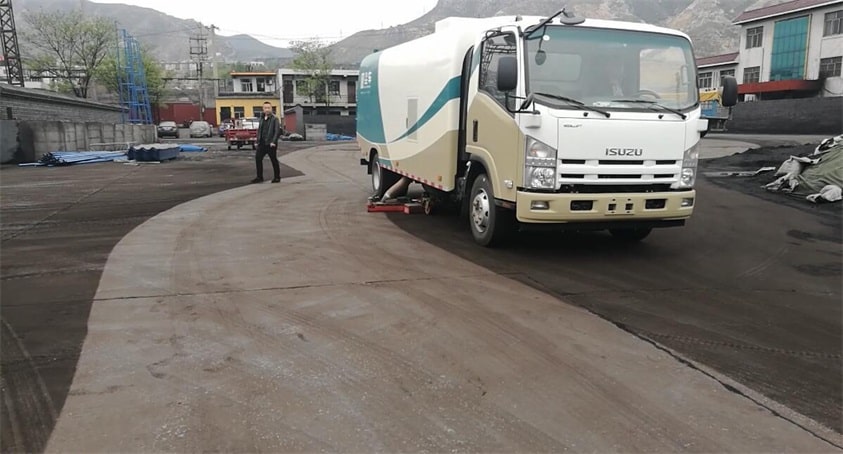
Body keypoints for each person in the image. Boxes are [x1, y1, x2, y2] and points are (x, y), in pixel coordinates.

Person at [252, 102, 282, 184]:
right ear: (263, 109)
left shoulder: (274, 118)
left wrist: (274, 141)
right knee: (258, 158)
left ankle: (277, 177)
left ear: (271, 109)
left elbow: (277, 131)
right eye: (265, 108)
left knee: (273, 160)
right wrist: (257, 141)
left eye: (269, 108)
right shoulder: (261, 118)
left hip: (270, 143)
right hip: (262, 143)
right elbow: (259, 130)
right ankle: (259, 177)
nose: (267, 109)